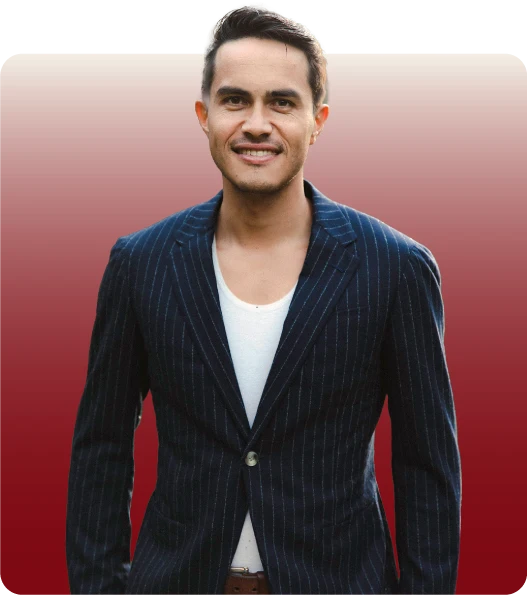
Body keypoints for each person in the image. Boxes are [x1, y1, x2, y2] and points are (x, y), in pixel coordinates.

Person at [66, 4, 462, 595]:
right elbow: (102, 448)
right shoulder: (140, 262)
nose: (257, 124)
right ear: (204, 115)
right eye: (235, 100)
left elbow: (427, 467)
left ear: (317, 120)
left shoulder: (395, 268)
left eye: (281, 102)